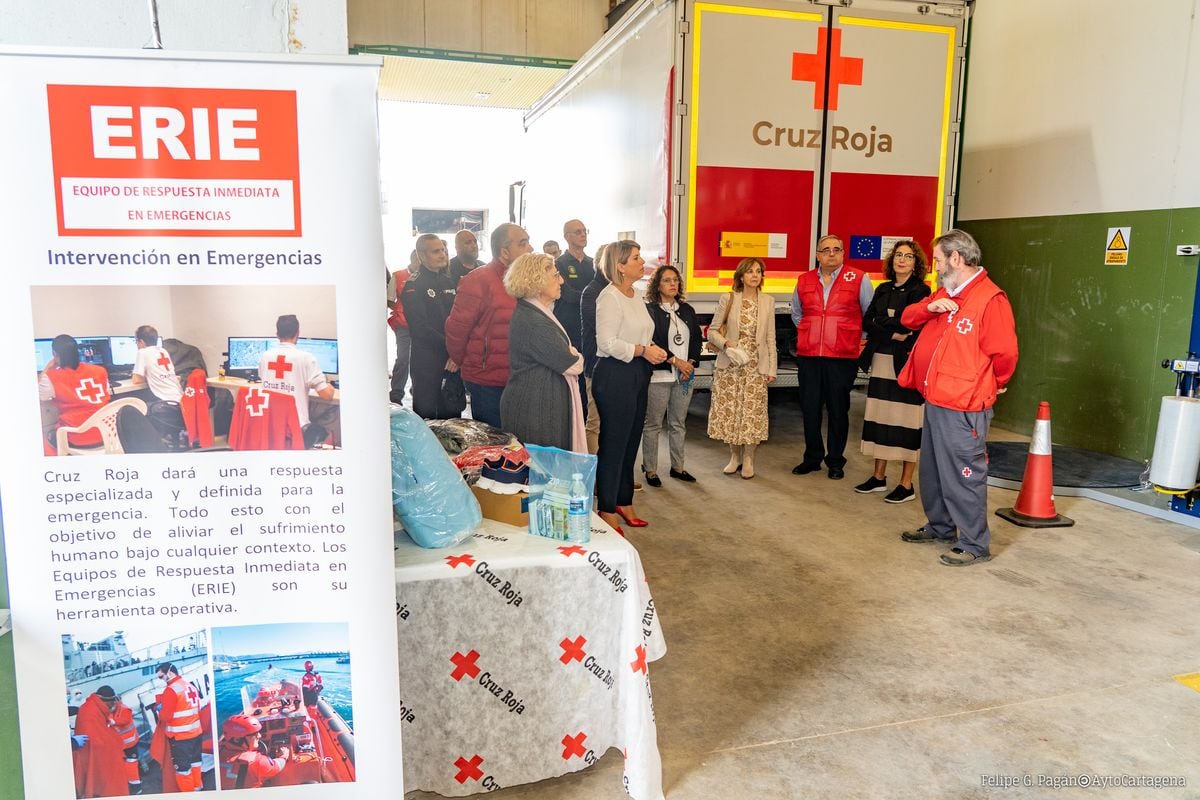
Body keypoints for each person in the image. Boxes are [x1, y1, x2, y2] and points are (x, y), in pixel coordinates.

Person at [898, 229, 1018, 566]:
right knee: (933, 472)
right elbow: (909, 318)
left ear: (956, 258)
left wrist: (992, 385)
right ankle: (940, 527)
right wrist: (930, 307)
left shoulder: (989, 299)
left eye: (938, 260)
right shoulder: (947, 293)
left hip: (965, 405)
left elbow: (1005, 354)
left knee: (964, 474)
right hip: (935, 398)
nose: (935, 267)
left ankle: (974, 544)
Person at [594, 240, 667, 533]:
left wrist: (653, 350)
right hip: (615, 375)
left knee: (631, 439)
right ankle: (606, 507)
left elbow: (641, 333)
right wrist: (641, 350)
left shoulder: (635, 295)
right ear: (620, 266)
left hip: (638, 372)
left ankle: (624, 500)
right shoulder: (609, 297)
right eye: (636, 258)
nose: (642, 261)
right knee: (613, 442)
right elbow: (606, 343)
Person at [791, 234, 874, 479]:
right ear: (817, 255)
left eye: (836, 249)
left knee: (838, 410)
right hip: (809, 356)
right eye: (825, 250)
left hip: (841, 357)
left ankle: (836, 461)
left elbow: (868, 315)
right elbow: (797, 314)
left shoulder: (859, 278)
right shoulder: (804, 280)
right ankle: (812, 458)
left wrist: (851, 338)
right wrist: (812, 333)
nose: (831, 254)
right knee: (810, 409)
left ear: (842, 254)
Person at [855, 240, 932, 503]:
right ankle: (878, 477)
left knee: (906, 421)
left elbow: (914, 323)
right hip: (881, 360)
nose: (901, 260)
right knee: (880, 417)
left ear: (916, 263)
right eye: (898, 255)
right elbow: (868, 320)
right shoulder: (883, 288)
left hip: (905, 363)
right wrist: (893, 329)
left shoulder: (921, 291)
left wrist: (885, 324)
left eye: (908, 257)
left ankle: (906, 484)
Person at [444, 223, 532, 428]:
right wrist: (462, 361)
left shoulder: (525, 281)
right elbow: (457, 328)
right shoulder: (478, 280)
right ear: (504, 251)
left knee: (516, 445)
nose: (530, 248)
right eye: (523, 243)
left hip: (519, 377)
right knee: (493, 447)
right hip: (487, 381)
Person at [500, 252, 586, 451]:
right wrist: (574, 353)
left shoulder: (535, 312)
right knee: (542, 473)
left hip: (540, 405)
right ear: (537, 281)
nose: (562, 280)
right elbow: (572, 363)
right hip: (535, 410)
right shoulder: (534, 321)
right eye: (556, 275)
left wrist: (571, 352)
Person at [706, 258, 778, 479]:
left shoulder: (768, 301)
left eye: (758, 271)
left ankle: (749, 458)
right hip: (731, 364)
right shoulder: (728, 298)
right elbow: (712, 331)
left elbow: (770, 338)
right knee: (732, 412)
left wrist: (772, 368)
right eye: (749, 272)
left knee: (752, 413)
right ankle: (734, 457)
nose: (755, 275)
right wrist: (727, 343)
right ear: (740, 276)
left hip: (756, 365)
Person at [642, 264, 703, 485]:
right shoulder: (650, 310)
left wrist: (691, 364)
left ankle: (678, 467)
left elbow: (696, 339)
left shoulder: (686, 310)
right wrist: (676, 362)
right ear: (657, 284)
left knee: (678, 423)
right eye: (667, 280)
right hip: (659, 377)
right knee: (654, 424)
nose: (673, 284)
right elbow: (651, 341)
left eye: (675, 280)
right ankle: (650, 469)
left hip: (684, 377)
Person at [402, 233, 461, 419]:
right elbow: (421, 329)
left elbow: (459, 320)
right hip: (428, 361)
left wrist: (456, 353)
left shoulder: (448, 280)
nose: (442, 254)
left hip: (452, 360)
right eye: (436, 251)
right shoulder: (414, 285)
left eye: (443, 250)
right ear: (421, 255)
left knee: (452, 415)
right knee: (427, 417)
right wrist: (452, 348)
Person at [259, 314, 336, 449]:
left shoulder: (266, 356)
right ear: (298, 333)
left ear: (277, 334)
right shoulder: (306, 358)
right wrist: (329, 385)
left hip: (269, 425)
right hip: (296, 427)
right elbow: (327, 395)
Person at [38, 334, 112, 450]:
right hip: (108, 434)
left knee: (49, 433)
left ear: (54, 354)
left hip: (77, 438)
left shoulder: (51, 377)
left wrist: (48, 367)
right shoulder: (100, 370)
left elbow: (41, 395)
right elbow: (106, 392)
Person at [72, 685, 136, 798]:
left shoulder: (91, 707)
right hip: (94, 753)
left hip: (123, 745)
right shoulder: (91, 712)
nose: (113, 706)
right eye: (112, 703)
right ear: (107, 701)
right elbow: (96, 740)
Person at [579, 244, 611, 454]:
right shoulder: (592, 292)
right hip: (597, 366)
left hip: (618, 366)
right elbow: (603, 330)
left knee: (615, 424)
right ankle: (595, 475)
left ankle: (613, 473)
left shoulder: (621, 292)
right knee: (596, 422)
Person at [155, 662, 203, 792]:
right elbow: (197, 709)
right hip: (196, 734)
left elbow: (166, 717)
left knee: (182, 770)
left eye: (161, 677)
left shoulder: (171, 690)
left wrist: (159, 708)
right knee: (196, 762)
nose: (161, 680)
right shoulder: (190, 686)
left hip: (181, 738)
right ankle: (198, 787)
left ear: (169, 673)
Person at [554, 220, 595, 354]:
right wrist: (593, 297)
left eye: (585, 231)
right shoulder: (559, 263)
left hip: (590, 326)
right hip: (569, 326)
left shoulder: (592, 263)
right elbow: (569, 295)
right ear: (566, 236)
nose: (583, 235)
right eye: (578, 232)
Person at [219, 713, 288, 790]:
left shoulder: (217, 751)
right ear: (237, 740)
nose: (259, 736)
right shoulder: (256, 761)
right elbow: (276, 767)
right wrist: (283, 756)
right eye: (254, 734)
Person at [388, 250, 419, 405]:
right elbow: (388, 298)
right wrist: (401, 307)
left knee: (420, 359)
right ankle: (396, 393)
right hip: (403, 325)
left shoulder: (426, 276)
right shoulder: (398, 276)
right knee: (403, 358)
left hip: (422, 325)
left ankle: (418, 388)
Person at [131, 325, 182, 402]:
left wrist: (150, 376)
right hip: (180, 398)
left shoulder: (142, 352)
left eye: (136, 341)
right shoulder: (163, 351)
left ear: (141, 342)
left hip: (166, 402)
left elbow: (136, 380)